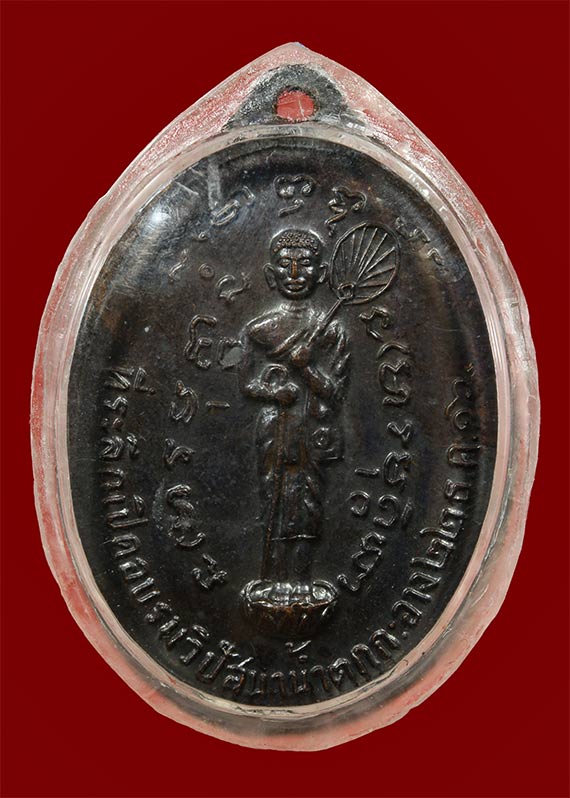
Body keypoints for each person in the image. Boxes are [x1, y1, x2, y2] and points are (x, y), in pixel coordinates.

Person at [238, 229, 350, 591]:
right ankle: (272, 580)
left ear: (321, 274)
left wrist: (307, 369)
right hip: (275, 427)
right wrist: (275, 393)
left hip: (312, 430)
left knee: (307, 502)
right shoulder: (259, 331)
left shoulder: (332, 332)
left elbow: (334, 392)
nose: (295, 274)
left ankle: (300, 582)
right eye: (285, 265)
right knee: (274, 497)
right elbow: (247, 385)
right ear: (271, 274)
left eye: (305, 265)